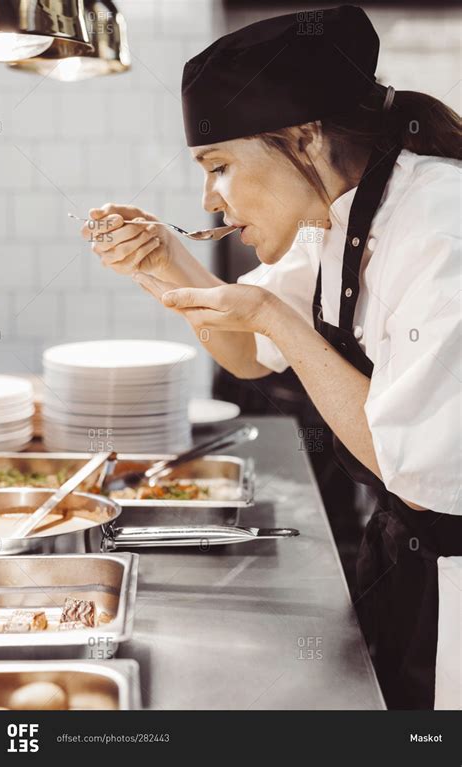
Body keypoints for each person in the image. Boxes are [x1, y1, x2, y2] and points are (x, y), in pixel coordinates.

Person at [81, 6, 462, 709]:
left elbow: (421, 476)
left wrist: (277, 321)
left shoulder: (441, 229)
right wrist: (168, 262)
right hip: (409, 571)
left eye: (218, 166)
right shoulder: (335, 212)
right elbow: (250, 350)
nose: (208, 198)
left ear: (305, 138)